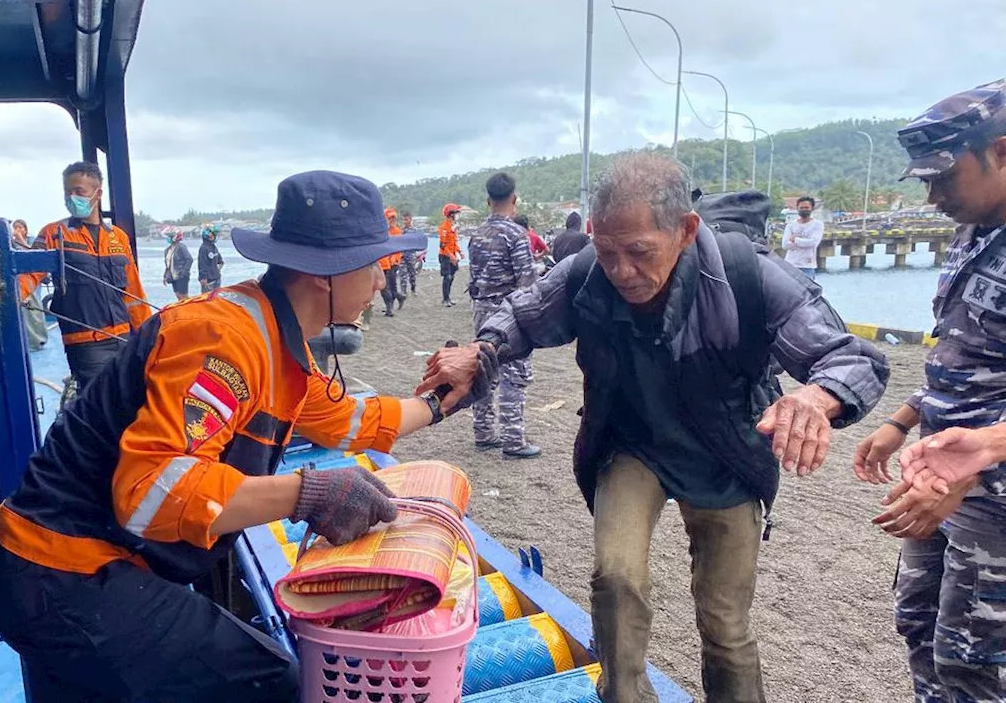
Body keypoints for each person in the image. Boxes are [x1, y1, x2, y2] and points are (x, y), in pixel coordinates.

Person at [0, 170, 488, 703]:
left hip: (74, 564)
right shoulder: (225, 341)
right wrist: (307, 494)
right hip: (62, 570)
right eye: (375, 265)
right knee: (268, 679)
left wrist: (440, 403)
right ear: (327, 273)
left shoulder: (274, 337)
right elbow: (150, 495)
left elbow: (348, 421)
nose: (383, 281)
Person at [420, 152, 888, 702]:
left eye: (639, 252)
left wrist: (818, 395)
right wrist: (481, 351)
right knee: (616, 580)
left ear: (686, 231)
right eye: (609, 250)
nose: (621, 271)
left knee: (724, 621)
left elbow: (853, 358)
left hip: (728, 452)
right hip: (630, 442)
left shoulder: (748, 277)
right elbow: (523, 316)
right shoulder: (587, 274)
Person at [853, 79, 1006, 702]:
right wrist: (903, 417)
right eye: (923, 181)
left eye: (944, 176)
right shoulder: (974, 231)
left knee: (973, 663)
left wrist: (985, 453)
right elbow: (961, 351)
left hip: (992, 499)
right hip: (940, 476)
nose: (933, 193)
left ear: (1001, 151)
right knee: (918, 626)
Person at [24, 162, 153, 388]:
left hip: (124, 337)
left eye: (79, 192)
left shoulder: (118, 238)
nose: (72, 197)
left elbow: (133, 291)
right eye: (68, 192)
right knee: (103, 403)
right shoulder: (54, 234)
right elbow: (28, 275)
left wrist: (147, 334)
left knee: (133, 395)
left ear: (98, 193)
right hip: (86, 343)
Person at [467, 173, 541, 459]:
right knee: (515, 373)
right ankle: (514, 440)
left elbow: (474, 277)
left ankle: (483, 432)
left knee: (484, 369)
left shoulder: (477, 235)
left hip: (481, 310)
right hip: (509, 313)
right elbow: (527, 282)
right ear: (514, 199)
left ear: (488, 201)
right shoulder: (516, 235)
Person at [12, 219, 48, 352]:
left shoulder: (33, 240)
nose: (18, 230)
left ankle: (39, 340)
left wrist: (20, 240)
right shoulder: (11, 242)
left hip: (34, 281)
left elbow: (35, 255)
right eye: (15, 228)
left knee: (35, 310)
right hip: (20, 282)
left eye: (20, 227)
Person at [781, 196, 823, 278]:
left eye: (807, 207)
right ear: (797, 208)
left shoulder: (818, 225)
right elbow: (785, 245)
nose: (804, 210)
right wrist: (804, 242)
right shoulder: (791, 225)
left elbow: (813, 243)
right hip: (790, 265)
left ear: (812, 208)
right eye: (801, 208)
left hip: (808, 267)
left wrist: (795, 239)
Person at [378, 208, 406, 316]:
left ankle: (390, 307)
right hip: (387, 261)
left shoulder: (396, 231)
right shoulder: (384, 231)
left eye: (393, 218)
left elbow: (397, 247)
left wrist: (395, 258)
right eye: (390, 218)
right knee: (389, 285)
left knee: (388, 286)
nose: (392, 220)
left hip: (393, 262)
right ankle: (396, 300)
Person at [438, 203, 463, 307]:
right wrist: (450, 256)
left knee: (451, 277)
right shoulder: (444, 227)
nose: (457, 215)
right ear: (450, 214)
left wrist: (460, 252)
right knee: (447, 277)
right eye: (456, 213)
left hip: (452, 255)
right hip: (445, 256)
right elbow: (442, 245)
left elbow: (454, 243)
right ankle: (445, 299)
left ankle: (448, 297)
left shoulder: (453, 228)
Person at [163, 228, 194, 301]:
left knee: (183, 297)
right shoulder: (167, 250)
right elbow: (168, 264)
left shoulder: (181, 247)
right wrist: (165, 276)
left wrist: (183, 272)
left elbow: (189, 259)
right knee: (178, 296)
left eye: (169, 236)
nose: (168, 238)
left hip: (181, 276)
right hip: (173, 277)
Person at [398, 211, 422, 295]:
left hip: (411, 255)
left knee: (412, 274)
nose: (405, 222)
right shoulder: (400, 231)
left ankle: (413, 289)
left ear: (410, 219)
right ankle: (403, 292)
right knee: (402, 275)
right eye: (404, 220)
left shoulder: (414, 231)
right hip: (402, 255)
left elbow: (418, 242)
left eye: (406, 219)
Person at [197, 223, 225, 293]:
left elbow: (220, 261)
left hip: (216, 279)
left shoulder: (213, 247)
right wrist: (203, 278)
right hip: (208, 281)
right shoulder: (203, 248)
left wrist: (216, 270)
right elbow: (202, 265)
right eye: (214, 234)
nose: (215, 236)